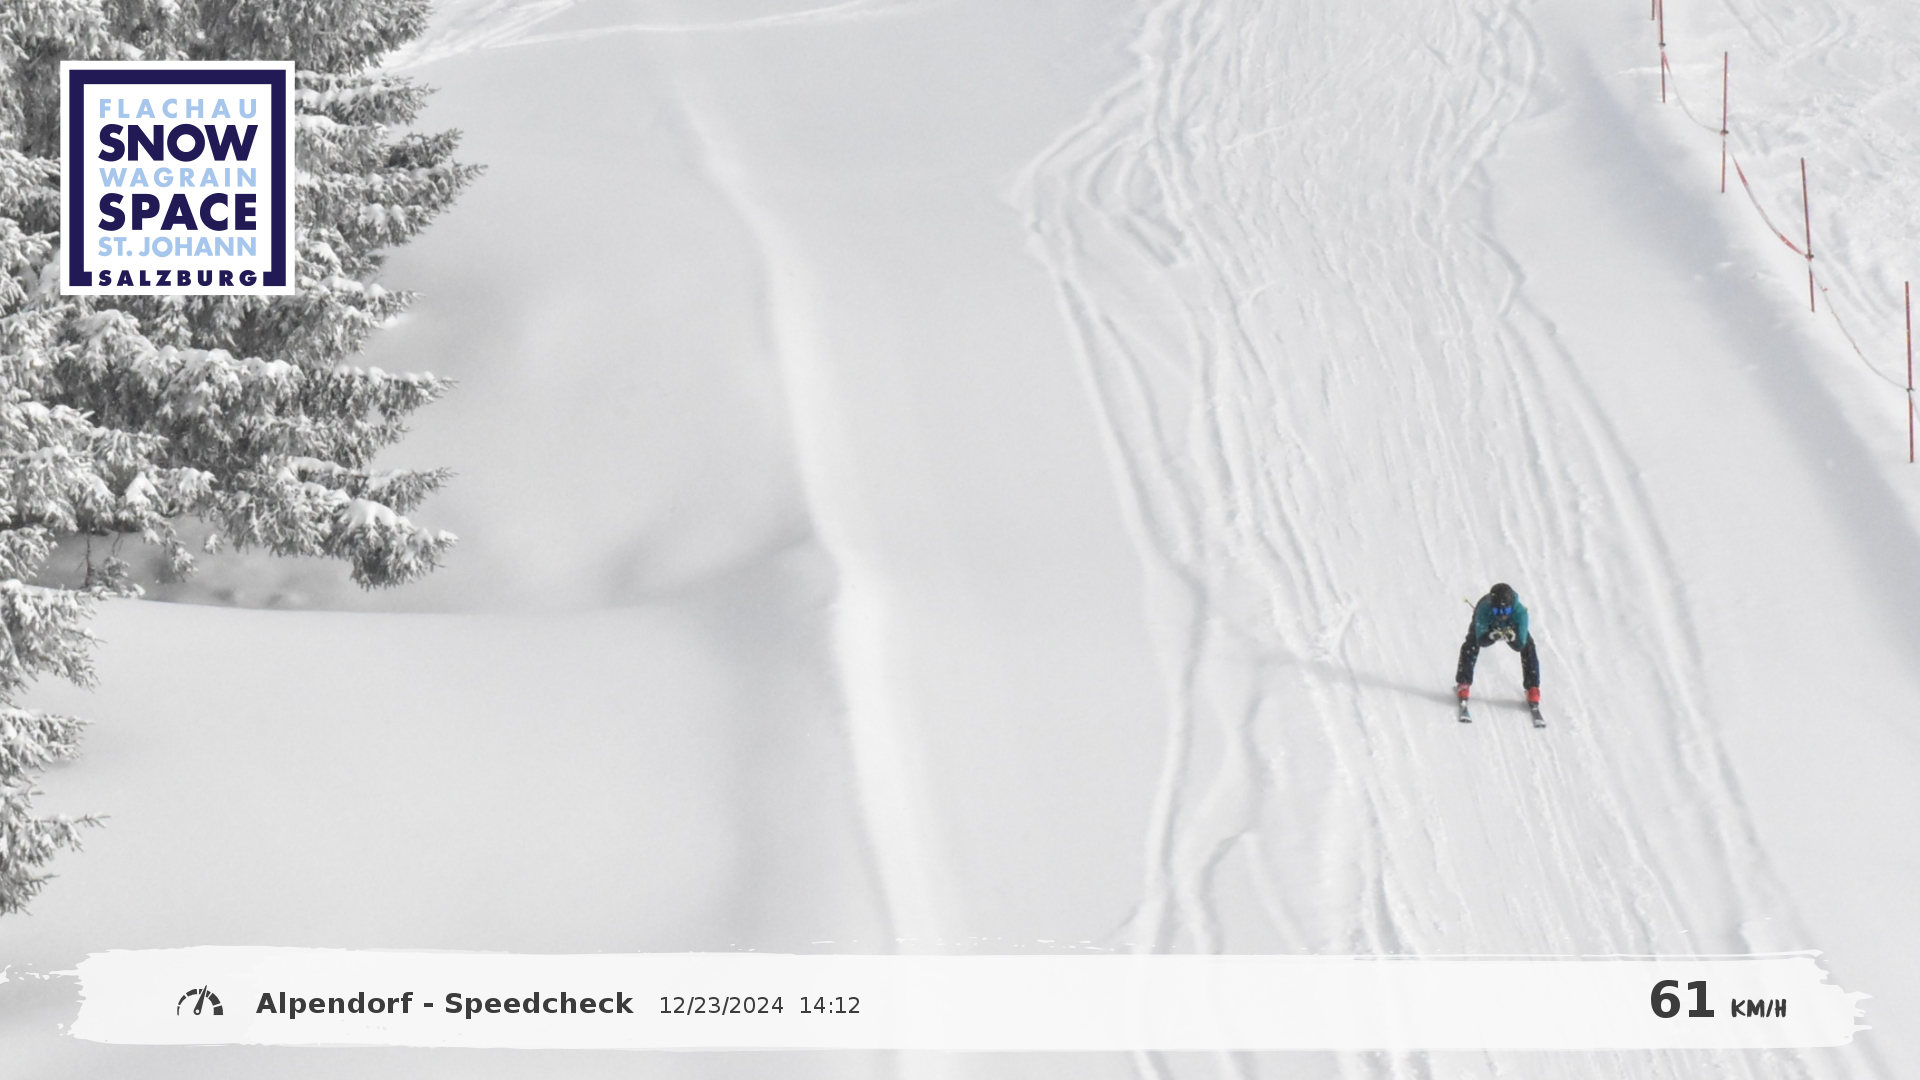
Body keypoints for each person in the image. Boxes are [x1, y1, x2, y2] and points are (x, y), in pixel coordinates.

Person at [1455, 582, 1539, 704]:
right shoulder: (1483, 609)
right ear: (1491, 606)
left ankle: (1533, 687)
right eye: (1497, 611)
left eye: (1506, 610)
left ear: (1512, 606)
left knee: (1529, 646)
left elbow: (1521, 644)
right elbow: (1480, 640)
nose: (1502, 615)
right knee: (1471, 643)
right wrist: (1490, 636)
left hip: (1510, 623)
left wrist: (1513, 639)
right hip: (1489, 623)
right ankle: (1464, 682)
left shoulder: (1520, 613)